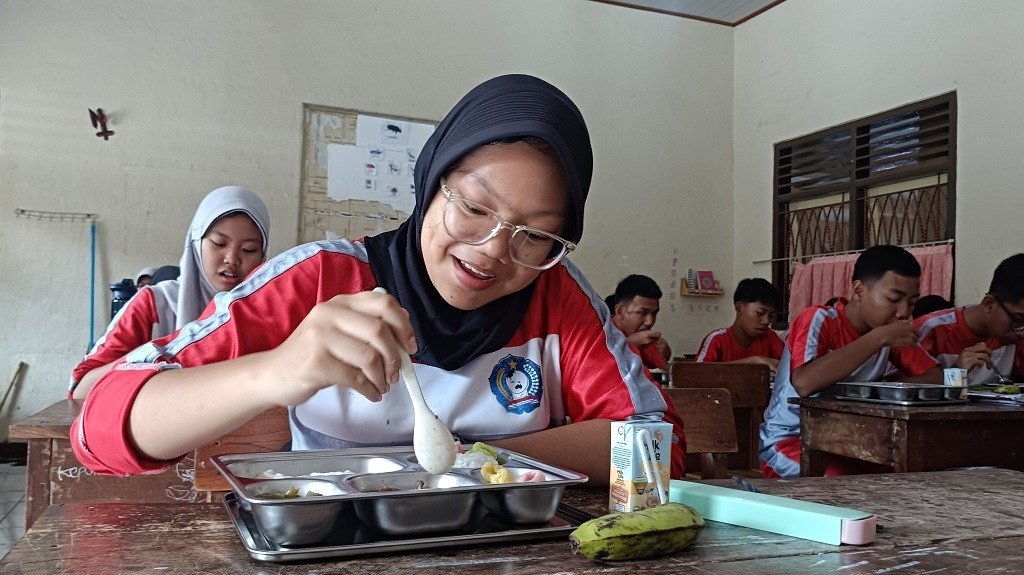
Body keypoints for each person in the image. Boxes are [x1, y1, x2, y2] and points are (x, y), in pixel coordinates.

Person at [70, 75, 686, 483]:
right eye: (474, 208)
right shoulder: (320, 280)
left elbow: (656, 444)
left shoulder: (556, 296)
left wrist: (474, 462)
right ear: (431, 182)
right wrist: (275, 371)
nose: (494, 252)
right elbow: (98, 425)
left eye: (536, 235)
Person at [759, 245, 942, 478]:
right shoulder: (819, 318)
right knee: (848, 484)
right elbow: (804, 383)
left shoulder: (889, 333)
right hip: (793, 440)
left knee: (918, 475)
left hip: (855, 444)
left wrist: (883, 387)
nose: (904, 312)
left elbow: (935, 379)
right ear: (858, 290)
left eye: (912, 302)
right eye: (894, 299)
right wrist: (878, 338)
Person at [70, 187, 270, 398]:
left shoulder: (268, 315)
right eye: (219, 243)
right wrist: (156, 356)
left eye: (249, 249)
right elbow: (81, 390)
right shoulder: (155, 304)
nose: (232, 259)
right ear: (196, 242)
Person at [915, 255, 1024, 384]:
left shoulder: (1015, 339)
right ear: (989, 304)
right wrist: (956, 372)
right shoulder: (930, 330)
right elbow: (904, 389)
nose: (1022, 333)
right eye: (1019, 321)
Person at [695, 278, 784, 371]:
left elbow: (788, 369)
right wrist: (752, 362)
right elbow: (698, 373)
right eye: (760, 313)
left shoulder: (771, 338)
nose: (766, 321)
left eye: (771, 316)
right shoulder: (717, 340)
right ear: (739, 308)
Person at [605, 275, 672, 370]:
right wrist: (629, 346)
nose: (650, 322)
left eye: (654, 314)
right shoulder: (599, 334)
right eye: (642, 312)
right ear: (619, 311)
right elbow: (596, 372)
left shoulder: (642, 339)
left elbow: (666, 369)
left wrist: (666, 354)